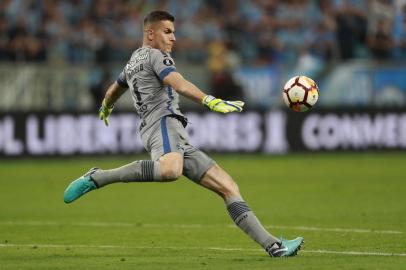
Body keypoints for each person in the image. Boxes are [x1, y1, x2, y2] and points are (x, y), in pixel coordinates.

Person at [63, 10, 303, 257]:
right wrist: (210, 100)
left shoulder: (133, 60)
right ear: (150, 33)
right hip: (162, 123)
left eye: (173, 32)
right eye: (167, 32)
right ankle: (99, 177)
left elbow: (115, 88)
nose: (173, 38)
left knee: (228, 186)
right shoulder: (157, 56)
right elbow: (179, 83)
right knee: (170, 170)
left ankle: (275, 246)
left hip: (174, 132)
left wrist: (106, 104)